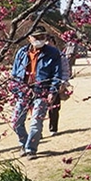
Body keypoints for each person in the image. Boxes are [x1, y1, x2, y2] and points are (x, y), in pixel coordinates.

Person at [10, 27, 65, 159]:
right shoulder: (22, 53)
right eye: (37, 37)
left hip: (42, 91)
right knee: (16, 122)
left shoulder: (53, 53)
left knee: (36, 122)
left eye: (42, 37)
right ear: (29, 38)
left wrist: (52, 91)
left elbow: (57, 74)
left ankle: (31, 150)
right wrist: (15, 88)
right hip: (23, 91)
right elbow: (15, 73)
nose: (40, 40)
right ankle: (24, 144)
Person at [47, 45, 72, 135]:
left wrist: (63, 82)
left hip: (56, 84)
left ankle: (53, 128)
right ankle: (38, 131)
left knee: (54, 108)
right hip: (41, 84)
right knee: (39, 108)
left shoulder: (60, 56)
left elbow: (65, 71)